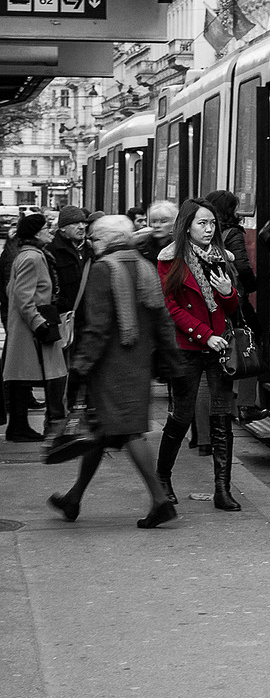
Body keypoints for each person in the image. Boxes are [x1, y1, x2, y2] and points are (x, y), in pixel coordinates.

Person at [46, 215, 182, 528]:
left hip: (110, 368)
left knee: (128, 430)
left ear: (108, 239)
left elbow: (97, 327)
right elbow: (162, 319)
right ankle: (74, 498)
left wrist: (81, 366)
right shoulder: (145, 266)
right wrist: (169, 360)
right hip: (137, 364)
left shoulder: (104, 269)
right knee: (100, 431)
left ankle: (160, 500)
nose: (91, 244)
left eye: (94, 238)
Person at [155, 198, 243, 511]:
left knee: (221, 420)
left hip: (220, 351)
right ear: (187, 225)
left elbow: (233, 309)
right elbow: (172, 307)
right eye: (201, 223)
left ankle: (223, 489)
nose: (208, 229)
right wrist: (206, 336)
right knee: (180, 417)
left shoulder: (224, 258)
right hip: (189, 349)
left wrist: (226, 293)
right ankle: (162, 480)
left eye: (212, 223)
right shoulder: (170, 259)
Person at [3, 213, 66, 442]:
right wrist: (39, 324)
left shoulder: (28, 255)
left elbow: (12, 288)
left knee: (22, 376)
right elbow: (21, 295)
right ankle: (19, 428)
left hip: (24, 326)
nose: (50, 230)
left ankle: (18, 427)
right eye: (46, 227)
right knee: (24, 377)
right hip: (31, 328)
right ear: (37, 233)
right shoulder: (32, 258)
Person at [205, 189, 266, 424]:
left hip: (212, 301)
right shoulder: (233, 233)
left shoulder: (205, 232)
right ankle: (246, 404)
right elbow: (241, 266)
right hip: (232, 298)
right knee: (250, 341)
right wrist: (252, 285)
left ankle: (225, 404)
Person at [49, 206, 94, 408]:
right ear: (63, 228)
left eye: (83, 222)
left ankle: (78, 408)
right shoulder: (52, 252)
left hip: (87, 317)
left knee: (81, 365)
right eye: (75, 223)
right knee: (59, 369)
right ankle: (57, 413)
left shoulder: (90, 249)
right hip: (63, 319)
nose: (81, 226)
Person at [133, 200, 177, 268]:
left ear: (173, 223)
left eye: (163, 221)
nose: (157, 225)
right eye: (154, 221)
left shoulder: (181, 246)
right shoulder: (139, 244)